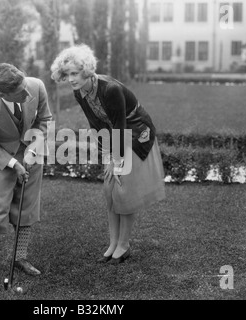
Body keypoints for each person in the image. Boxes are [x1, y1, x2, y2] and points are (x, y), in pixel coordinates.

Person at [50, 44, 166, 264]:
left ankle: (124, 245)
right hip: (114, 133)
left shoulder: (110, 89)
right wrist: (107, 156)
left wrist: (117, 160)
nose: (72, 79)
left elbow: (121, 127)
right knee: (108, 190)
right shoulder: (79, 92)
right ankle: (113, 243)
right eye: (67, 74)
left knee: (123, 190)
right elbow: (97, 124)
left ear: (86, 70)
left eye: (75, 73)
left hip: (136, 132)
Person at [0, 63, 52, 278]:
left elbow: (45, 120)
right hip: (2, 158)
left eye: (25, 86)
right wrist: (13, 164)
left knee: (27, 207)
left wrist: (33, 150)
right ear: (2, 93)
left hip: (31, 154)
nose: (27, 93)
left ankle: (20, 257)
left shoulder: (36, 86)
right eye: (20, 93)